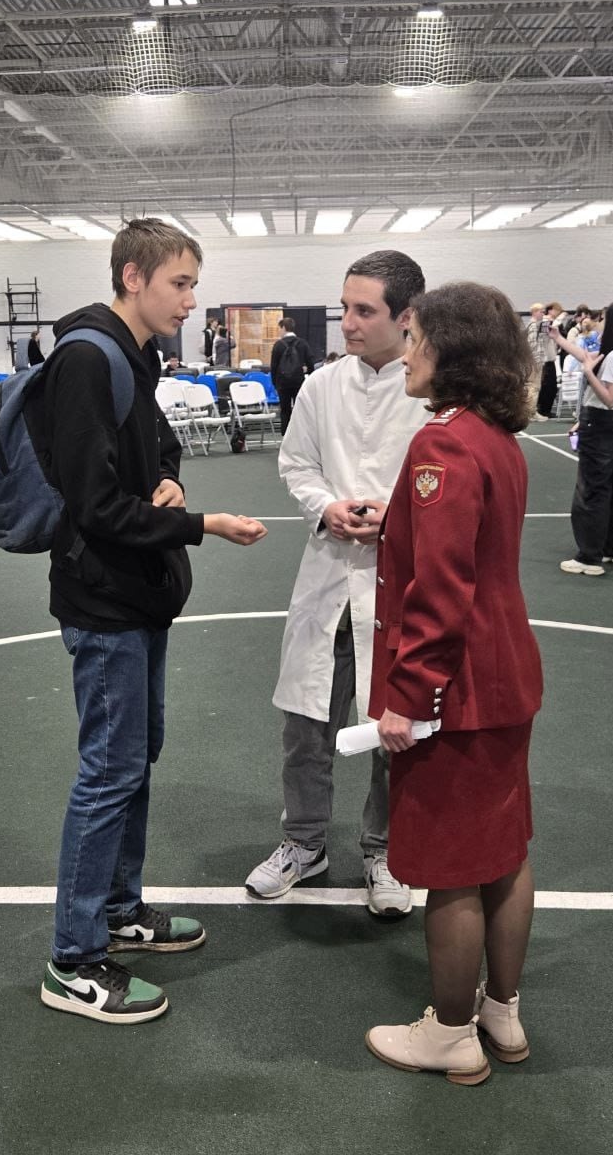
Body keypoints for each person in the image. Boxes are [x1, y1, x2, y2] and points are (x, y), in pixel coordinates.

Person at [35, 218, 267, 1026]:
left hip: (137, 595)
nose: (191, 300)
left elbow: (159, 446)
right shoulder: (86, 359)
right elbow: (95, 505)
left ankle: (118, 909)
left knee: (133, 760)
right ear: (133, 277)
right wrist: (199, 524)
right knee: (109, 770)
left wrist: (169, 483)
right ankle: (73, 959)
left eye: (193, 283)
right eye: (180, 283)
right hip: (103, 602)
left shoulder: (134, 355)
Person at [364, 281, 541, 1086]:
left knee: (451, 865)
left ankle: (449, 1032)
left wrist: (408, 696)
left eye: (415, 337)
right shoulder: (498, 437)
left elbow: (438, 591)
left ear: (450, 349)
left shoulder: (442, 445)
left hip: (456, 688)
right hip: (506, 674)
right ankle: (500, 1011)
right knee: (504, 854)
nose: (405, 353)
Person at [246, 250, 429, 916]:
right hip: (327, 575)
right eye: (344, 307)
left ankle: (386, 852)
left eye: (363, 310)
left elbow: (448, 489)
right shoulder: (321, 387)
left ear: (406, 316)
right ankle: (304, 842)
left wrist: (395, 518)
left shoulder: (433, 392)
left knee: (394, 731)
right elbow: (296, 463)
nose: (347, 322)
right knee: (306, 726)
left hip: (401, 587)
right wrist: (325, 506)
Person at [549, 299, 613, 575]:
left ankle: (589, 557)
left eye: (603, 318)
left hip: (600, 424)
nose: (599, 322)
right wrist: (558, 339)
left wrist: (589, 373)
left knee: (591, 490)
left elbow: (610, 398)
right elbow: (586, 356)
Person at [270, 316, 315, 434]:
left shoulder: (278, 345)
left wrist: (275, 383)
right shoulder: (302, 343)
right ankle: (299, 433)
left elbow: (273, 366)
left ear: (284, 328)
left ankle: (285, 434)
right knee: (299, 408)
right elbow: (310, 362)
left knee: (285, 410)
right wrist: (309, 375)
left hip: (282, 382)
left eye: (280, 329)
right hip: (298, 380)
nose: (279, 332)